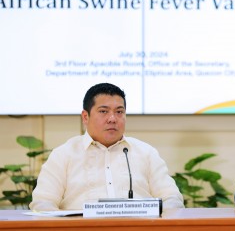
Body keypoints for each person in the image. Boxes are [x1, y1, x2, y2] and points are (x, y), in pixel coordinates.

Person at [30, 83, 184, 210]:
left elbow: (172, 198)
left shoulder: (146, 153)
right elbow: (43, 202)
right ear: (85, 117)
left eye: (119, 112)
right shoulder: (64, 155)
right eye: (103, 111)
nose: (112, 119)